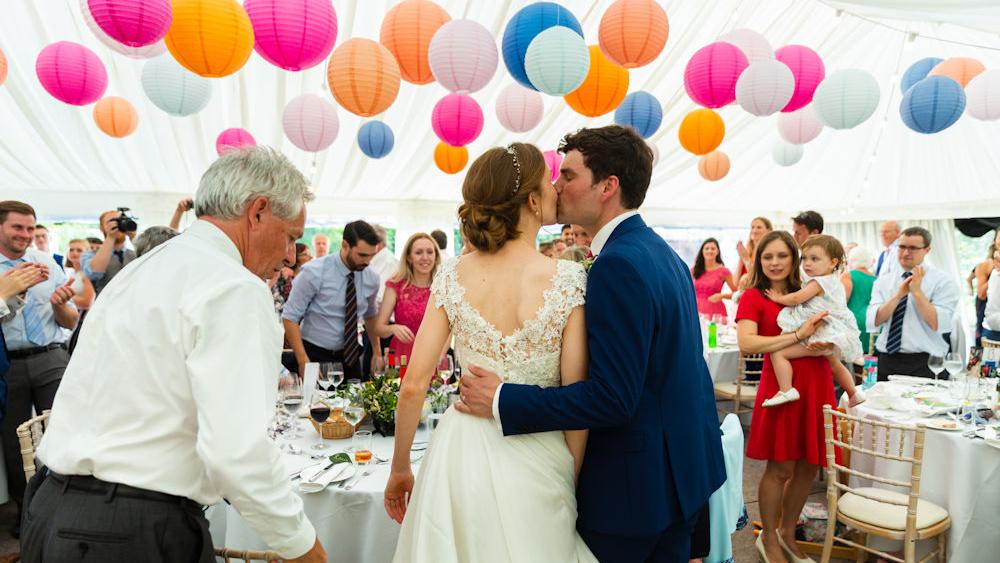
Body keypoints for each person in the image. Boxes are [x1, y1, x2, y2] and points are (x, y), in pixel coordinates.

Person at [25, 148, 326, 562]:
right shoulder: (234, 286)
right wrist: (302, 546)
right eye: (291, 236)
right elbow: (236, 452)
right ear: (257, 212)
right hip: (134, 528)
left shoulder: (144, 268)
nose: (291, 254)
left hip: (50, 509)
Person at [453, 126, 726, 562]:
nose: (556, 186)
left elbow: (614, 398)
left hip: (633, 495)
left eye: (569, 175)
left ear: (607, 187)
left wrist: (504, 399)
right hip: (678, 476)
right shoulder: (661, 253)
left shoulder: (618, 265)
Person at [384, 142, 595, 562]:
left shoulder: (452, 275)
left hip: (461, 457)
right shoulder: (568, 279)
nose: (556, 187)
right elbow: (576, 398)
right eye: (547, 182)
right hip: (541, 454)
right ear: (533, 201)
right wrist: (569, 479)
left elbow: (413, 386)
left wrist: (400, 468)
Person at [735, 230, 834, 563]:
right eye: (767, 257)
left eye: (782, 255)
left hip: (817, 382)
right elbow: (748, 343)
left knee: (808, 467)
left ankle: (788, 533)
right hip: (782, 387)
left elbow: (835, 327)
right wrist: (797, 336)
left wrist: (827, 343)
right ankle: (768, 537)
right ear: (758, 260)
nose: (775, 263)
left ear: (794, 258)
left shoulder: (807, 291)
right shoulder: (753, 296)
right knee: (780, 468)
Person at [0, 201, 79, 538]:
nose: (26, 235)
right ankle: (26, 512)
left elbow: (70, 319)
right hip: (9, 365)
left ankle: (65, 506)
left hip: (50, 357)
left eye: (31, 228)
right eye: (18, 228)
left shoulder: (47, 263)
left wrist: (61, 305)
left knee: (64, 428)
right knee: (15, 441)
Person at [759, 235, 865, 408]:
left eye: (814, 259)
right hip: (831, 332)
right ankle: (853, 392)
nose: (807, 263)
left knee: (777, 353)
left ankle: (786, 389)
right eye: (805, 258)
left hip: (820, 332)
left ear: (832, 262)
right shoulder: (834, 281)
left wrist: (779, 297)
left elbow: (796, 298)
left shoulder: (818, 282)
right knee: (834, 363)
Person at [282, 220, 383, 380]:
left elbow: (370, 316)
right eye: (362, 255)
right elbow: (290, 317)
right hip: (314, 355)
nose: (367, 261)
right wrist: (303, 361)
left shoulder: (371, 278)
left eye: (371, 256)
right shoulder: (313, 272)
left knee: (355, 404)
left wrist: (377, 353)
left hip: (351, 357)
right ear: (345, 245)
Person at [866, 227, 960, 379]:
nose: (905, 253)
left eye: (913, 248)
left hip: (926, 362)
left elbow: (938, 323)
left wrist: (917, 292)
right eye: (902, 247)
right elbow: (875, 321)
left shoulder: (943, 282)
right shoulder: (883, 281)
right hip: (886, 359)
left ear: (927, 250)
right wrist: (898, 295)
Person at [373, 233, 441, 368]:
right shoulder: (396, 285)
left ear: (436, 256)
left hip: (433, 356)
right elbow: (378, 328)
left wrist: (441, 356)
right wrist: (393, 328)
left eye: (429, 252)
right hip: (401, 356)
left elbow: (450, 328)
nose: (425, 258)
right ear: (409, 257)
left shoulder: (442, 286)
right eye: (418, 252)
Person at [81, 209, 137, 295]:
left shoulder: (134, 254)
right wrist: (110, 237)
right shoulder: (90, 254)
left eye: (120, 221)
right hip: (104, 305)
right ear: (102, 227)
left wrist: (134, 237)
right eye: (112, 221)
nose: (117, 224)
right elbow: (94, 274)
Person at [842, 246, 877, 355]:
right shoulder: (876, 279)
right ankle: (868, 372)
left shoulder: (848, 276)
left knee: (853, 358)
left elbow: (842, 302)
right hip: (873, 321)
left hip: (854, 321)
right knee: (869, 360)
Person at [691, 237, 736, 320]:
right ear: (702, 251)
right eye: (707, 248)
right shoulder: (694, 270)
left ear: (717, 251)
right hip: (695, 310)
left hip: (716, 313)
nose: (709, 251)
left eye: (713, 248)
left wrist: (722, 296)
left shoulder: (724, 271)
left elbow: (737, 294)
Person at [735, 216, 773, 286]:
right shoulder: (747, 251)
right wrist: (741, 258)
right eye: (752, 227)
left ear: (769, 230)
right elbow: (736, 283)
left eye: (759, 227)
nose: (754, 231)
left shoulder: (770, 252)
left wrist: (746, 259)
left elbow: (759, 279)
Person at [971, 241, 995, 347]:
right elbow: (981, 294)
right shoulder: (984, 265)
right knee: (982, 343)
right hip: (985, 307)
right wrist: (995, 275)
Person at [982, 249, 1000, 342]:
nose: (995, 263)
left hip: (991, 329)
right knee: (978, 356)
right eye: (995, 259)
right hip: (991, 333)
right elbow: (991, 315)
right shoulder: (995, 275)